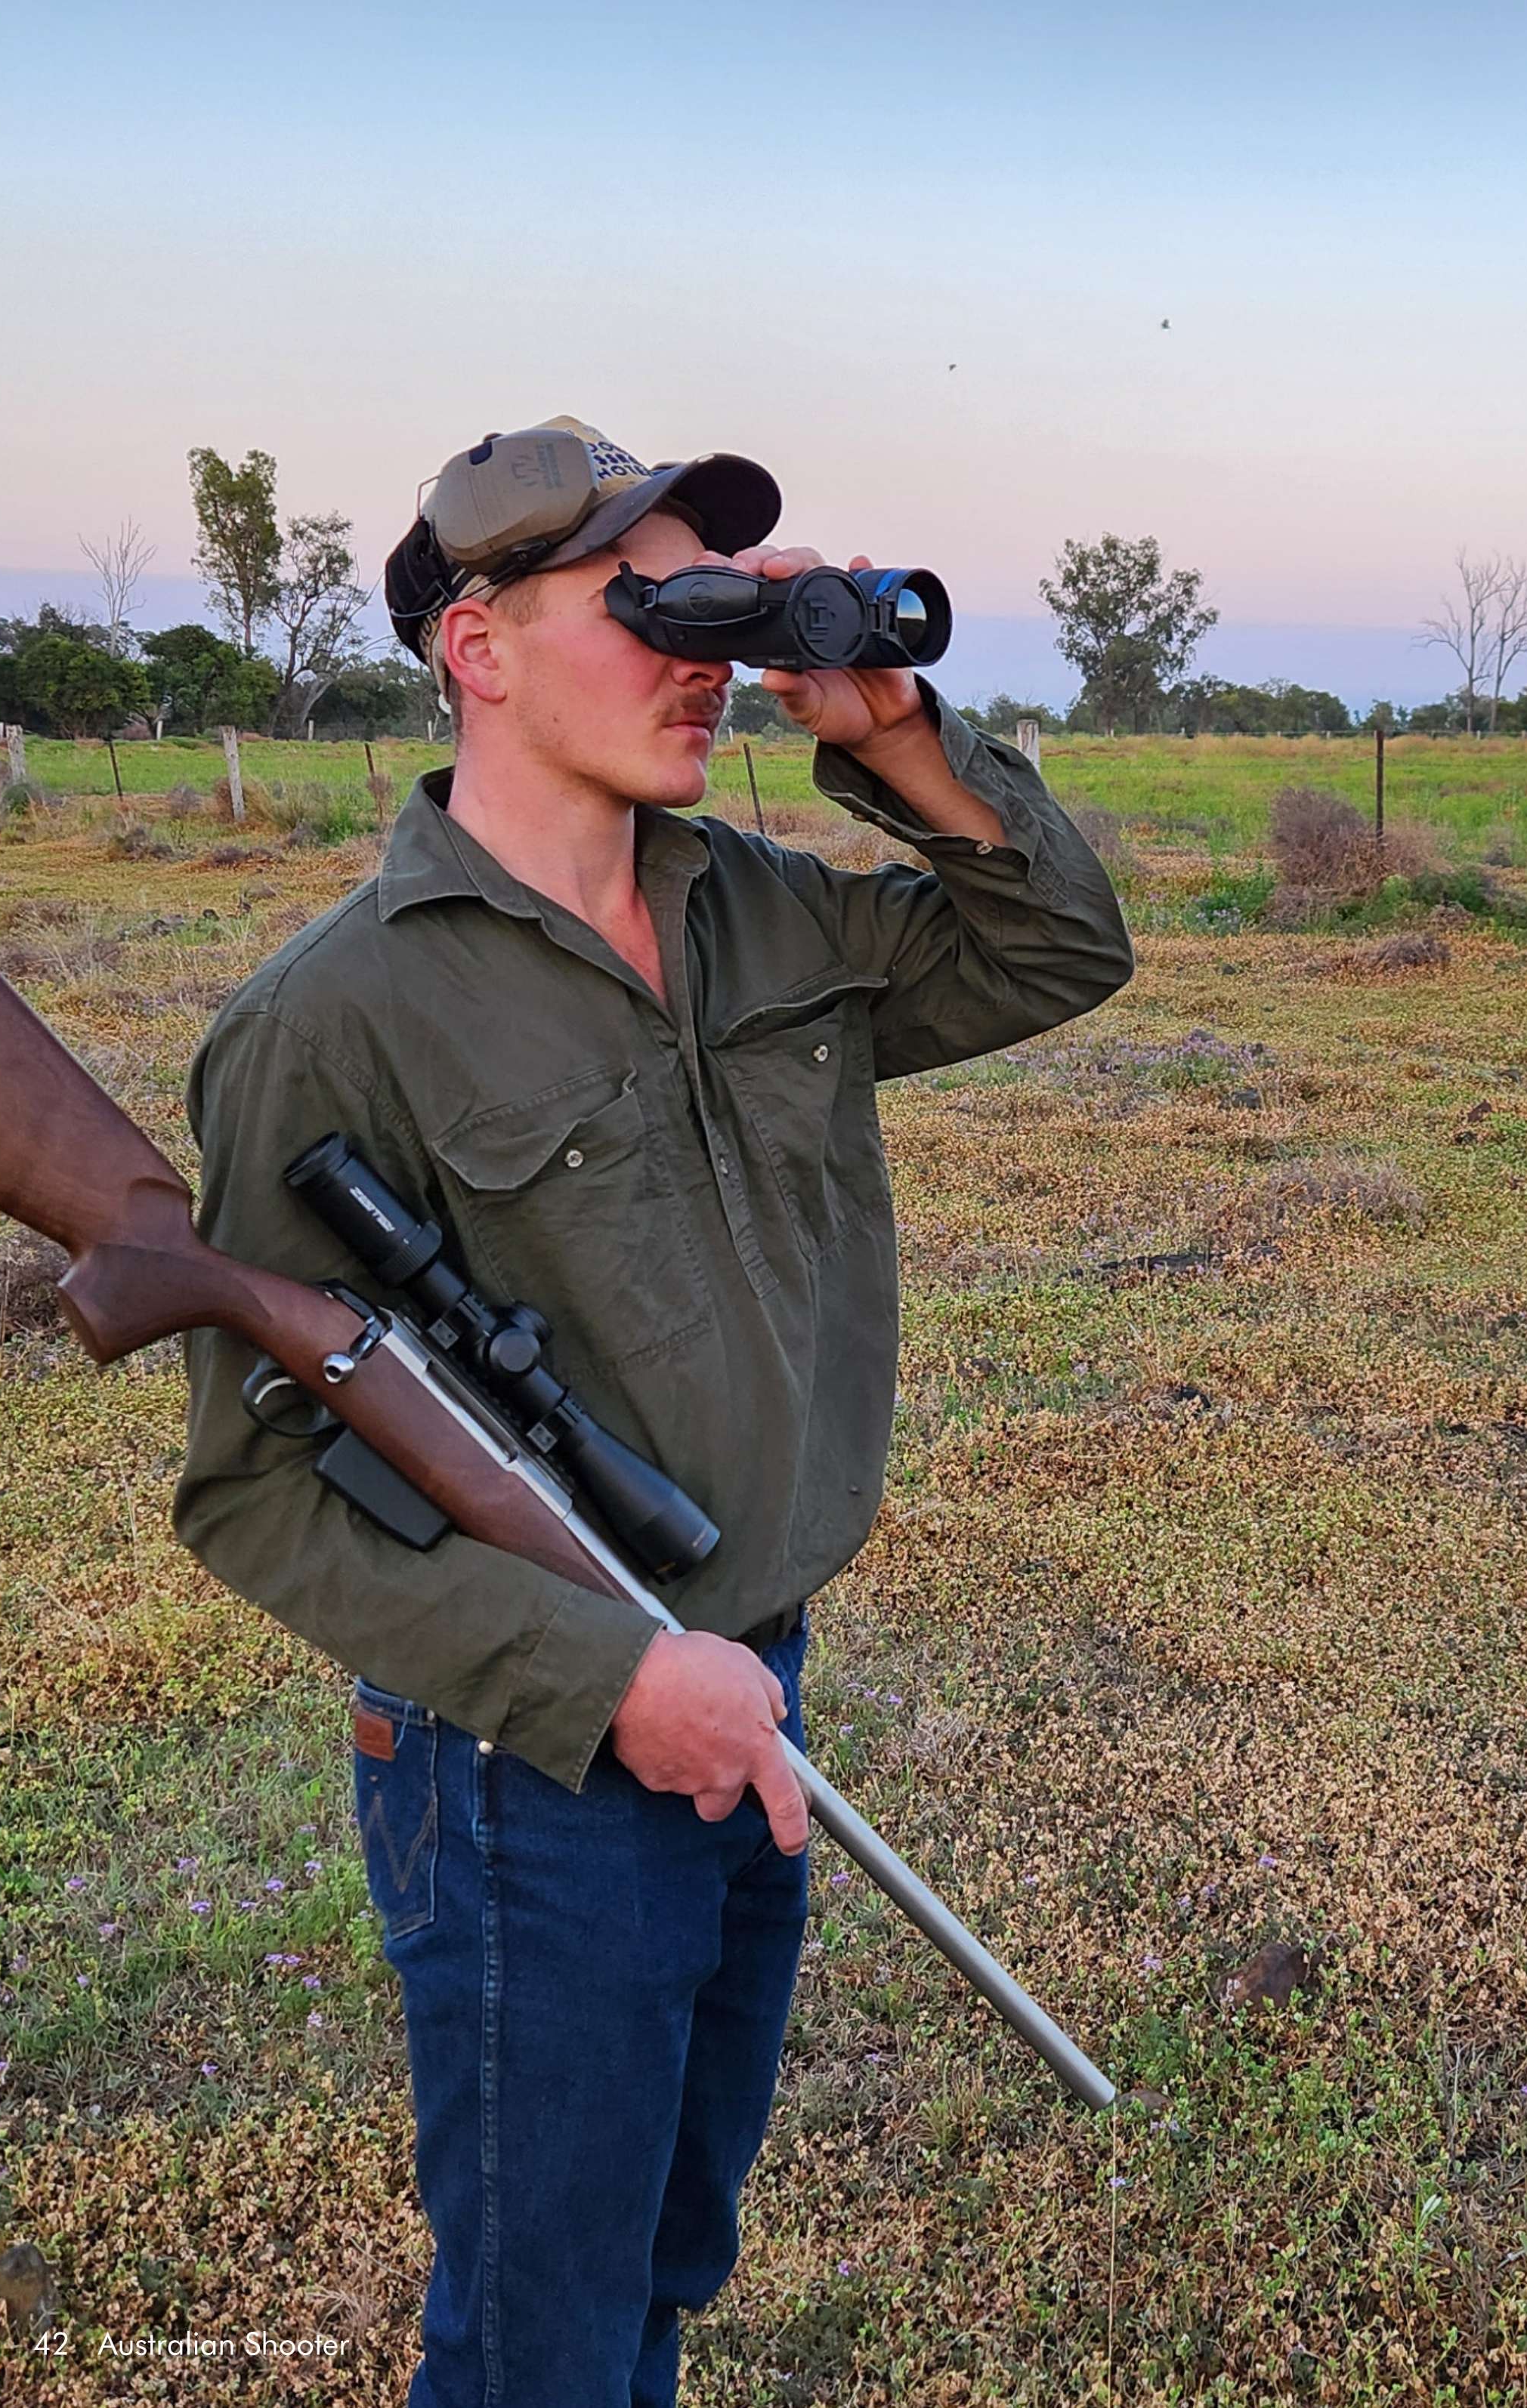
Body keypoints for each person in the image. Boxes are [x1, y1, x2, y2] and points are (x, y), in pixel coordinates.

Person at [172, 415, 1134, 2408]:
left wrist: (887, 729)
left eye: (715, 604)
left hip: (757, 1688)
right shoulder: (329, 1019)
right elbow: (258, 1491)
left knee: (669, 2258)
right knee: (542, 2330)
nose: (702, 652)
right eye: (645, 604)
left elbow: (1060, 941)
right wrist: (613, 1682)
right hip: (532, 1764)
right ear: (480, 648)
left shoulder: (764, 917)